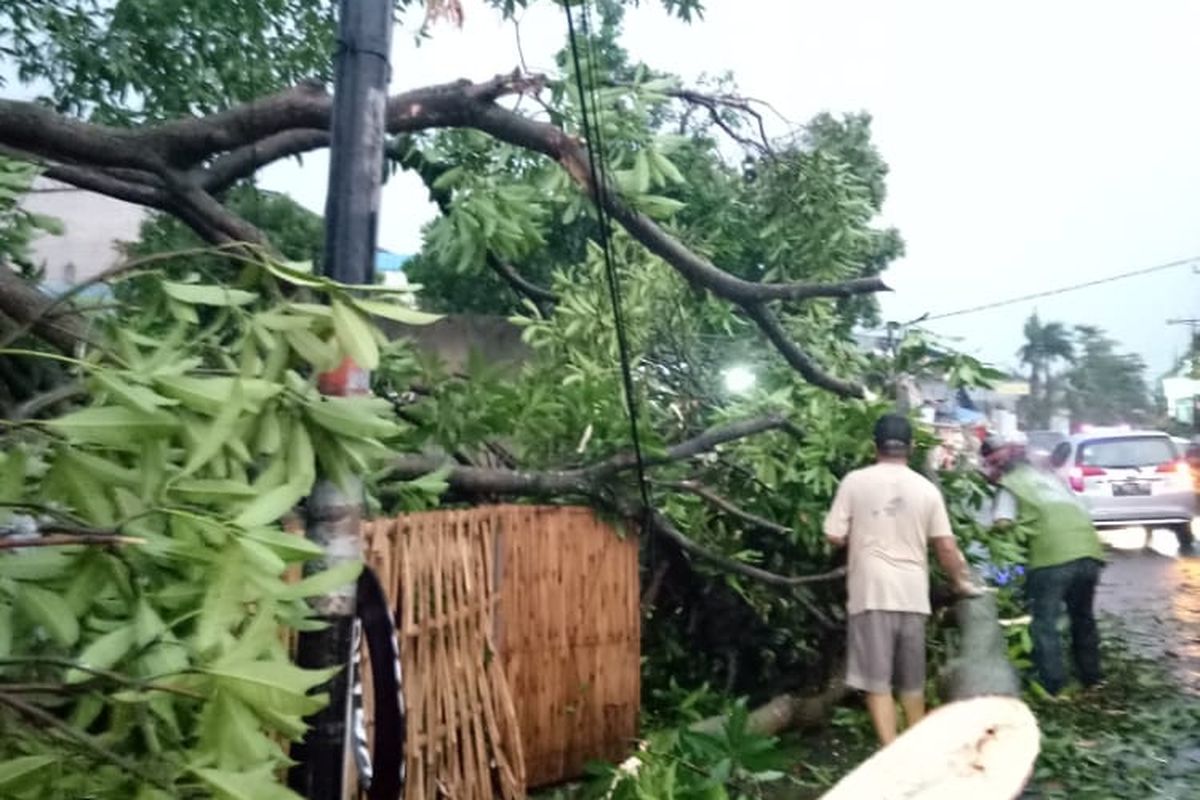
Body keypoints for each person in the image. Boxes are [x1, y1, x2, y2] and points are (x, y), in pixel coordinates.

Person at [824, 413, 978, 746]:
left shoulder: (855, 481)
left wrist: (862, 532)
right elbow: (946, 547)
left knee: (877, 683)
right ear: (909, 448)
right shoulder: (926, 489)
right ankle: (918, 750)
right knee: (912, 682)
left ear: (873, 446)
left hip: (871, 594)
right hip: (912, 596)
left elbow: (834, 535)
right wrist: (961, 583)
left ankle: (891, 752)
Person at [982, 435, 1106, 695]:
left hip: (1053, 557)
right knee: (1082, 617)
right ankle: (1092, 677)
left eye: (991, 465)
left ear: (999, 468)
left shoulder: (1010, 485)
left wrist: (986, 535)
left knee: (1043, 622)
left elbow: (1003, 524)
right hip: (1089, 552)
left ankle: (1053, 683)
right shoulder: (1051, 479)